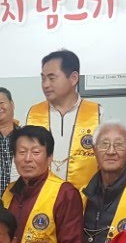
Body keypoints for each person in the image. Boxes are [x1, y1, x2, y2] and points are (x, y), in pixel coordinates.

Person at [2, 124, 86, 243]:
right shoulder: (9, 192)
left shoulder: (64, 193)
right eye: (22, 152)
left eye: (36, 152)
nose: (28, 159)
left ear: (50, 157)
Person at [25, 49, 102, 190]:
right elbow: (19, 161)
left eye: (52, 78)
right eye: (43, 78)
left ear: (73, 78)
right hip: (40, 199)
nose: (45, 84)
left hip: (85, 199)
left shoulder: (97, 114)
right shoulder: (32, 114)